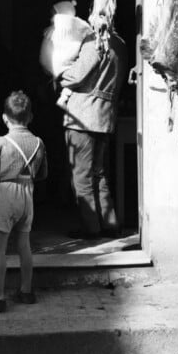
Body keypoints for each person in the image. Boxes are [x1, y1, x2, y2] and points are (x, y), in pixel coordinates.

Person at [0, 90, 48, 312]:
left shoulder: (1, 142)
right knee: (24, 245)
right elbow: (43, 173)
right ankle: (26, 292)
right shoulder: (39, 142)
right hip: (28, 194)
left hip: (6, 193)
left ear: (5, 118)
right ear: (31, 117)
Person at [59, 23, 127, 239]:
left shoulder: (94, 42)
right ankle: (109, 223)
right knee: (98, 172)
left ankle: (91, 228)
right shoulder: (121, 44)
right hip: (105, 114)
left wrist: (60, 72)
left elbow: (78, 75)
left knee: (81, 176)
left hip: (84, 115)